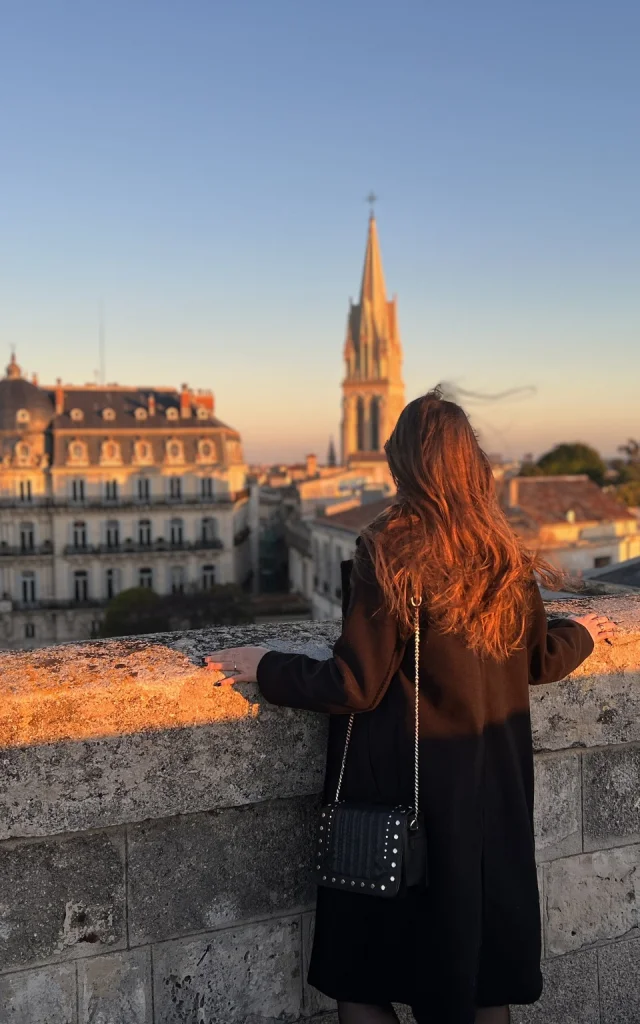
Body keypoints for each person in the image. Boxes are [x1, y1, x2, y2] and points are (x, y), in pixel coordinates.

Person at [205, 390, 615, 1024]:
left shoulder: (389, 547)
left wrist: (267, 666)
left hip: (406, 806)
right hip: (491, 807)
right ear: (469, 462)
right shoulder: (500, 551)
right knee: (479, 983)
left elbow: (355, 683)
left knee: (361, 978)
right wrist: (584, 632)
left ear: (403, 464)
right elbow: (535, 660)